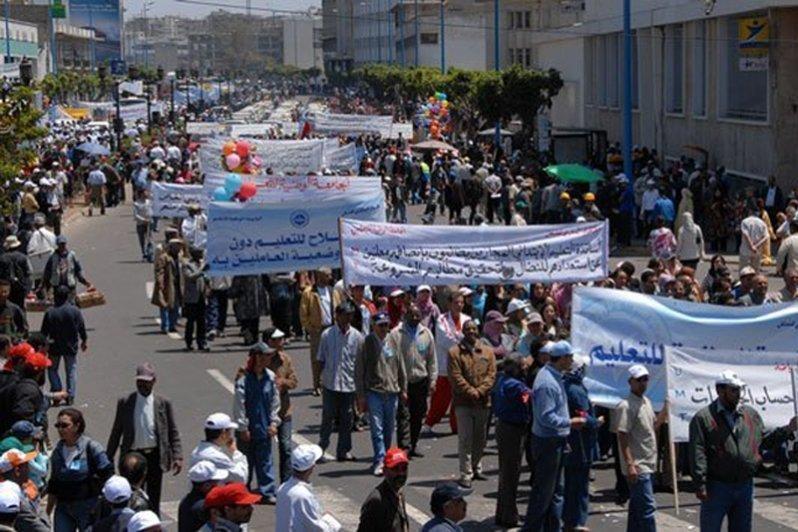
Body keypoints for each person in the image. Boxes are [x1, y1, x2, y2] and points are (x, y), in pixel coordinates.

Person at [689, 370, 797, 532]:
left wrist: (788, 429)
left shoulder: (750, 415)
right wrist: (700, 483)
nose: (738, 394)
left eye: (739, 389)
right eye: (733, 390)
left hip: (744, 486)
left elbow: (764, 441)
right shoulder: (704, 418)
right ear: (720, 390)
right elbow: (698, 452)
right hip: (717, 486)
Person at [522, 340, 586, 532]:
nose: (572, 361)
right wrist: (570, 423)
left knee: (556, 491)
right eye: (570, 357)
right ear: (563, 358)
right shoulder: (547, 383)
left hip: (556, 440)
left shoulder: (555, 376)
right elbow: (546, 417)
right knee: (544, 493)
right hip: (548, 442)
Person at [107, 363, 183, 515]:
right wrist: (107, 457)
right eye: (139, 381)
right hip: (132, 457)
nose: (142, 385)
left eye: (146, 381)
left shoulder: (163, 403)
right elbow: (117, 431)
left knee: (153, 497)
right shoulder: (126, 402)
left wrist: (177, 456)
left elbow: (172, 431)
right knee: (131, 496)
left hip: (155, 456)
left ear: (154, 381)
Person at [614, 365, 668, 532]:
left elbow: (654, 426)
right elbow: (622, 435)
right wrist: (630, 464)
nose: (643, 383)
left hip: (648, 463)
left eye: (645, 379)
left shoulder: (646, 402)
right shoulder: (626, 406)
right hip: (638, 466)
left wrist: (666, 408)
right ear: (630, 382)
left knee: (637, 509)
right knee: (647, 509)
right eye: (639, 380)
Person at [355, 312, 407, 476]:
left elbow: (400, 365)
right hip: (374, 391)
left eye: (386, 325)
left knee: (389, 428)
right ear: (373, 326)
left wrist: (403, 388)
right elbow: (359, 370)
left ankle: (385, 459)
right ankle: (379, 459)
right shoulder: (366, 342)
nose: (385, 328)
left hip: (392, 391)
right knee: (376, 428)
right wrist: (361, 395)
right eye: (381, 325)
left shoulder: (393, 339)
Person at [47, 408, 115, 531]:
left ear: (77, 426)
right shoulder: (57, 452)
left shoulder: (92, 447)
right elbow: (54, 483)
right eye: (58, 425)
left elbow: (108, 475)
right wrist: (47, 512)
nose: (60, 429)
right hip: (63, 508)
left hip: (88, 508)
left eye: (65, 425)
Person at [448, 320, 496, 488]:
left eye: (474, 329)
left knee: (480, 439)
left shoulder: (488, 352)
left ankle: (476, 467)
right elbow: (456, 377)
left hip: (483, 402)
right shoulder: (454, 353)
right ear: (463, 331)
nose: (471, 332)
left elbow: (491, 375)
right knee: (465, 438)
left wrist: (480, 391)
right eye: (468, 329)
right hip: (463, 402)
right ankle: (466, 473)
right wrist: (471, 391)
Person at [233, 343, 280, 504]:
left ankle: (267, 491)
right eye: (266, 355)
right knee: (246, 462)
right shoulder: (244, 380)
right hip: (248, 429)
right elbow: (239, 405)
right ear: (258, 357)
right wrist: (243, 427)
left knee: (265, 461)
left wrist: (274, 422)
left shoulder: (270, 377)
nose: (269, 358)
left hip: (264, 427)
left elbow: (275, 402)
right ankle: (243, 491)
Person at [318, 302, 364, 462]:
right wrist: (318, 382)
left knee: (347, 419)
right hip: (330, 383)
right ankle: (321, 449)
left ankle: (344, 451)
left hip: (349, 385)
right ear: (336, 315)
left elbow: (360, 363)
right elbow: (320, 359)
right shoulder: (327, 335)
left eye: (350, 314)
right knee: (328, 418)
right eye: (344, 314)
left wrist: (360, 389)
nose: (347, 318)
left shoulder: (357, 337)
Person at [563, 355, 603, 532]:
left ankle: (570, 520)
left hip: (574, 442)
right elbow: (584, 416)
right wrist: (597, 422)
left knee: (572, 484)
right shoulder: (576, 390)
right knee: (579, 485)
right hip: (580, 443)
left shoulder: (569, 385)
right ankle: (577, 521)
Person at [391, 304, 437, 457]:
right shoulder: (396, 333)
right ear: (406, 315)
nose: (416, 318)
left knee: (418, 415)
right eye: (412, 315)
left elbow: (432, 360)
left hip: (421, 380)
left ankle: (413, 443)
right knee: (404, 415)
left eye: (418, 315)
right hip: (403, 382)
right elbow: (390, 358)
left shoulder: (426, 333)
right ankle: (404, 447)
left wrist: (432, 380)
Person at [492, 353, 532, 528]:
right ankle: (509, 515)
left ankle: (503, 512)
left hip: (505, 427)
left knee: (506, 473)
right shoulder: (515, 386)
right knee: (510, 474)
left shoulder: (501, 380)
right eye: (522, 366)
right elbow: (528, 397)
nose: (525, 368)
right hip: (513, 430)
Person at [425, 292, 471, 435]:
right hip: (446, 365)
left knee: (459, 398)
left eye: (461, 302)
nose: (459, 305)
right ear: (450, 304)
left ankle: (456, 426)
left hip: (463, 365)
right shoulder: (441, 320)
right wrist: (463, 341)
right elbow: (445, 340)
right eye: (456, 302)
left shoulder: (467, 319)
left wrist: (463, 341)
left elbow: (472, 337)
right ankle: (429, 423)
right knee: (441, 398)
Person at [260, 327, 298, 484]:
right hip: (264, 412)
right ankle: (267, 484)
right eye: (277, 339)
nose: (281, 342)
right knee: (264, 450)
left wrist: (284, 382)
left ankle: (286, 482)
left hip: (284, 411)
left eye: (281, 339)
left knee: (286, 447)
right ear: (268, 342)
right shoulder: (260, 361)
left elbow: (294, 381)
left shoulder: (286, 359)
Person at [275, 444, 339, 532]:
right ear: (312, 467)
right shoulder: (303, 495)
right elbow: (317, 528)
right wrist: (330, 520)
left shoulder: (282, 488)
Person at [41, 286, 87, 404]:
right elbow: (81, 327)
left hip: (54, 346)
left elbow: (44, 332)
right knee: (71, 370)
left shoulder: (50, 312)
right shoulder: (75, 310)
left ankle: (57, 391)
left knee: (52, 369)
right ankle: (70, 395)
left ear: (55, 296)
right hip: (70, 346)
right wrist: (84, 340)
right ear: (67, 296)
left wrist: (43, 345)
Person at [300, 268, 337, 396]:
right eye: (327, 275)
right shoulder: (309, 293)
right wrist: (311, 328)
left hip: (332, 328)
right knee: (317, 358)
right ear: (320, 276)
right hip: (317, 330)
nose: (330, 278)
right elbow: (303, 315)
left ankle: (329, 383)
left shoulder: (333, 291)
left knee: (332, 357)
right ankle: (317, 385)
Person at [356, 447, 409, 532]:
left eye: (404, 468)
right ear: (384, 471)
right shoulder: (376, 500)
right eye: (395, 469)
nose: (401, 473)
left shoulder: (398, 491)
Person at [0, 448, 50, 532]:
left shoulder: (26, 488)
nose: (29, 469)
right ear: (17, 471)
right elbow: (41, 529)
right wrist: (38, 506)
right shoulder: (11, 500)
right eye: (26, 465)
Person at [189, 413, 248, 484]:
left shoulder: (195, 452)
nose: (230, 435)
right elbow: (241, 478)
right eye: (229, 431)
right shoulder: (218, 457)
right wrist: (235, 452)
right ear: (223, 434)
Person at [178, 461, 228, 532]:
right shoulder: (204, 507)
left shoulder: (186, 500)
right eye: (215, 482)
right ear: (206, 486)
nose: (218, 485)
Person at [150, 239, 182, 334]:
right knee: (164, 305)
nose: (178, 248)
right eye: (176, 246)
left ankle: (172, 325)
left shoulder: (180, 257)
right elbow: (159, 271)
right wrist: (160, 282)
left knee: (175, 306)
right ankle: (165, 325)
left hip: (177, 284)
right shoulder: (164, 257)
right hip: (167, 284)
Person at [181, 246, 209, 352]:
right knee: (191, 322)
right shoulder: (187, 264)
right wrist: (201, 271)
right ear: (194, 254)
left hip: (202, 297)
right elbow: (189, 277)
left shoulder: (202, 264)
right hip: (192, 298)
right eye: (199, 253)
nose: (201, 255)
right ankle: (189, 343)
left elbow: (205, 277)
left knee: (202, 322)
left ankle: (201, 342)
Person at [0, 235, 32, 308]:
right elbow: (28, 273)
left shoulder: (2, 258)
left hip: (6, 288)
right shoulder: (23, 257)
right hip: (20, 287)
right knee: (20, 308)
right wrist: (27, 288)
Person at [739, 205, 769, 273]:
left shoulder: (745, 221)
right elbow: (766, 237)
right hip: (757, 251)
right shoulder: (762, 223)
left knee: (744, 271)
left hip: (745, 250)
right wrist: (757, 246)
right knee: (755, 271)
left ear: (750, 212)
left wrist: (751, 246)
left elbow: (746, 234)